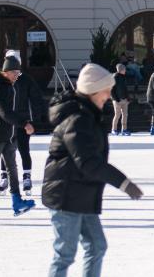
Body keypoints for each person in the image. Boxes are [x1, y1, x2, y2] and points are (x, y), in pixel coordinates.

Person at [45, 63, 145, 277]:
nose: (109, 95)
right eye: (106, 91)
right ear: (92, 91)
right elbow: (89, 162)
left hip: (81, 193)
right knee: (65, 254)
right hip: (65, 195)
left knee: (97, 246)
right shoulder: (77, 119)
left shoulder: (88, 115)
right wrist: (123, 183)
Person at [0, 56, 37, 218]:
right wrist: (24, 124)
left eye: (18, 73)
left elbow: (13, 112)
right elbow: (4, 112)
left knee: (12, 168)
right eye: (14, 73)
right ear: (5, 72)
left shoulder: (11, 87)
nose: (16, 76)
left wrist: (22, 122)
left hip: (9, 134)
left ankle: (17, 200)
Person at [2, 52, 44, 195]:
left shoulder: (26, 80)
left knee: (23, 149)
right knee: (5, 150)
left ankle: (26, 177)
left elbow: (36, 100)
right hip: (7, 122)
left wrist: (33, 121)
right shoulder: (3, 81)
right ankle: (4, 177)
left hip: (23, 121)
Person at [109, 63, 131, 136]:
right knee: (117, 115)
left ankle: (124, 129)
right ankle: (114, 129)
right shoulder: (115, 77)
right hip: (117, 100)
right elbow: (111, 90)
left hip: (124, 99)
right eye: (124, 69)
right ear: (120, 70)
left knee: (125, 115)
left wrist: (128, 98)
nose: (125, 70)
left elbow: (125, 89)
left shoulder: (124, 77)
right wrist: (116, 99)